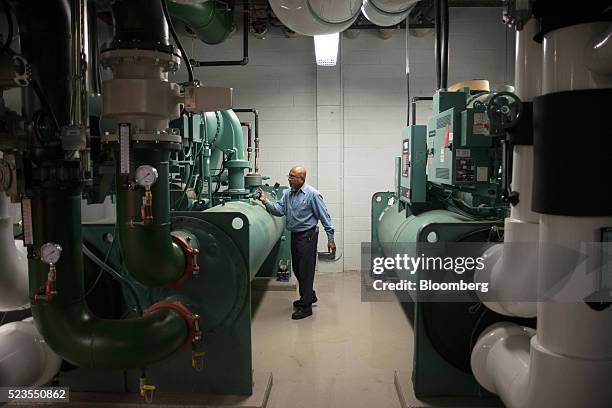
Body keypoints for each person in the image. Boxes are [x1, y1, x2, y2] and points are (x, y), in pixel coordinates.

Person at [258, 166, 336, 320]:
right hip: (295, 235)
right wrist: (265, 201)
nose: (289, 179)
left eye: (293, 176)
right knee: (298, 270)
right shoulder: (288, 193)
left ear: (302, 179)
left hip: (307, 236)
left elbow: (325, 216)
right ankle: (310, 296)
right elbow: (279, 210)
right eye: (289, 175)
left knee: (306, 271)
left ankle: (306, 307)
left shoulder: (313, 195)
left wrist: (331, 239)